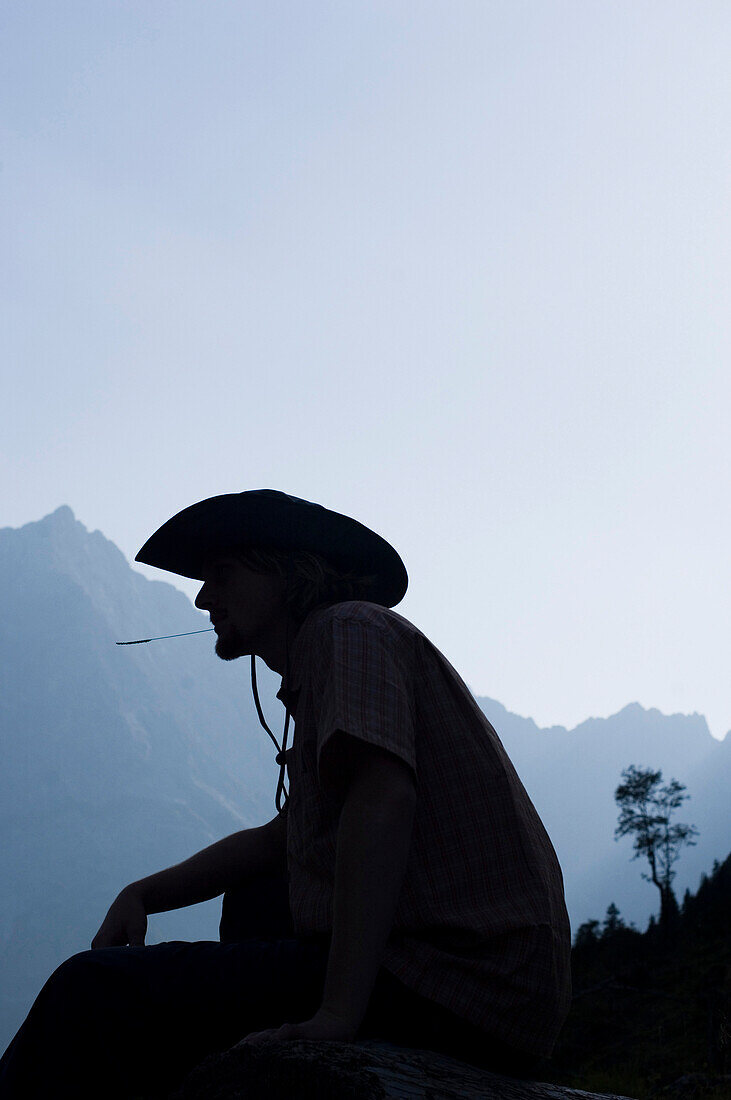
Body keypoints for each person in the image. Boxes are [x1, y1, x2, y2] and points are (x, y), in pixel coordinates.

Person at [0, 490, 572, 1097]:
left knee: (90, 990)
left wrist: (337, 1017)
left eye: (222, 575)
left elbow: (382, 800)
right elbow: (281, 841)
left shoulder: (346, 630)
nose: (201, 598)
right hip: (471, 983)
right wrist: (143, 893)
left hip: (455, 981)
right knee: (258, 897)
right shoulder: (331, 654)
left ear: (288, 574)